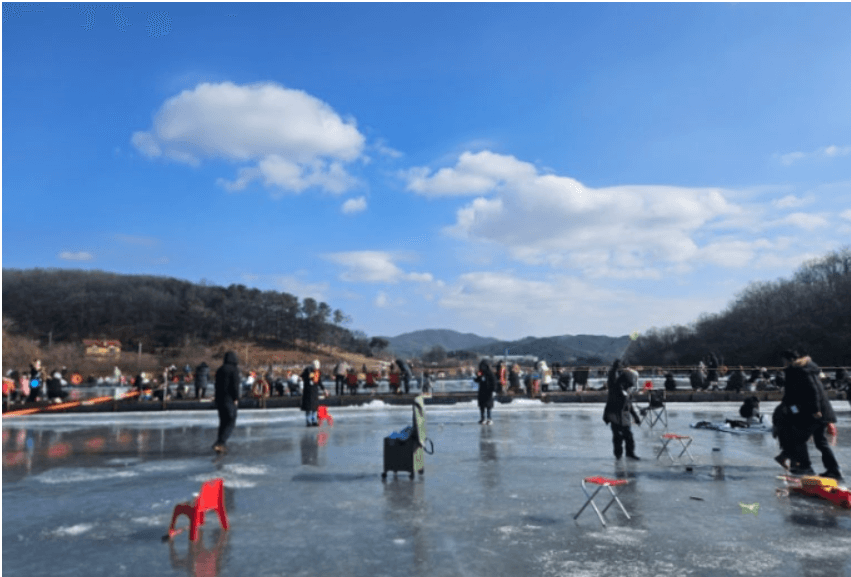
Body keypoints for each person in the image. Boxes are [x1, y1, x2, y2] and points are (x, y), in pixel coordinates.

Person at [775, 349, 827, 475]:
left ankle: (794, 461)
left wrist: (794, 410)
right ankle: (794, 462)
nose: (783, 363)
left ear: (789, 360)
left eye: (784, 360)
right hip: (800, 409)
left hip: (800, 409)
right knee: (800, 436)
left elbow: (795, 393)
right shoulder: (808, 369)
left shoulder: (795, 371)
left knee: (798, 436)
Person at [602, 359, 641, 460]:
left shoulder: (627, 391)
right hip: (614, 415)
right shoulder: (614, 388)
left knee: (629, 437)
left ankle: (630, 453)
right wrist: (614, 367)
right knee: (618, 438)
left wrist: (636, 417)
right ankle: (618, 455)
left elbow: (629, 405)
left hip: (625, 416)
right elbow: (611, 378)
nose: (629, 387)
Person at [212, 351, 240, 454]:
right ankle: (221, 443)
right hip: (229, 399)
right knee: (231, 421)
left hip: (220, 399)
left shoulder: (220, 370)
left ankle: (219, 442)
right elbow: (235, 386)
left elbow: (216, 385)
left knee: (223, 421)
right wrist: (236, 398)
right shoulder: (234, 370)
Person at [301, 360, 325, 426]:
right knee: (309, 408)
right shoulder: (308, 370)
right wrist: (308, 379)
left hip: (314, 391)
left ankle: (314, 420)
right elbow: (303, 377)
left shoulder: (317, 372)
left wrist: (324, 389)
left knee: (314, 408)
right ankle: (309, 421)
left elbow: (319, 381)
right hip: (308, 391)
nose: (316, 369)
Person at [475, 359, 496, 424]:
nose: (482, 367)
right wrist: (477, 376)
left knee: (488, 406)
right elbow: (477, 380)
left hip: (488, 392)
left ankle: (489, 418)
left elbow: (494, 382)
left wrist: (493, 390)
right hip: (482, 391)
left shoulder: (490, 373)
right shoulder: (481, 373)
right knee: (482, 406)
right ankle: (482, 418)